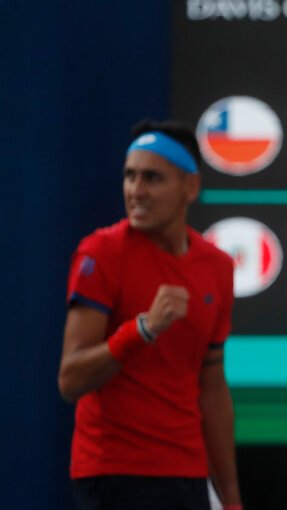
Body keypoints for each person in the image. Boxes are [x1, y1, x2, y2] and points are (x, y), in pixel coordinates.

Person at [58, 120, 243, 510]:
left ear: (190, 187)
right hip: (112, 475)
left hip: (187, 476)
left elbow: (212, 390)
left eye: (152, 178)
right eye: (130, 176)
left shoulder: (217, 267)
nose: (135, 191)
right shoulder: (99, 254)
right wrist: (142, 329)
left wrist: (229, 496)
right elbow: (70, 379)